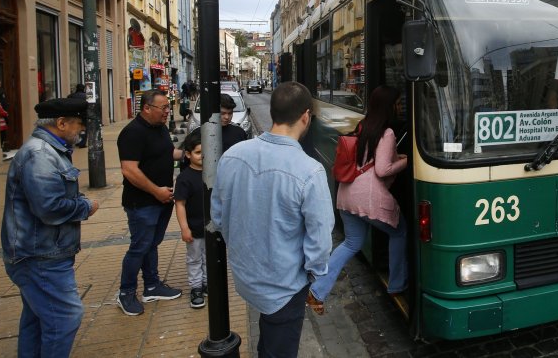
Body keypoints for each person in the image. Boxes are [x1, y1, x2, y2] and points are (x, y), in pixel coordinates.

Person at [212, 81, 334, 358]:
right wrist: (312, 273)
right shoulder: (310, 171)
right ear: (306, 116)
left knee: (269, 341)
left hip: (246, 277)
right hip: (284, 287)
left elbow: (218, 216)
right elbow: (320, 238)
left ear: (273, 111)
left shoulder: (232, 156)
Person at [1, 97, 99, 357]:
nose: (82, 130)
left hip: (41, 253)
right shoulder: (40, 155)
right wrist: (85, 207)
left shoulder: (48, 151)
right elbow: (50, 208)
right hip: (40, 257)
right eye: (79, 124)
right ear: (61, 123)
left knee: (37, 319)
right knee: (65, 317)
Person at [307, 86, 409, 315]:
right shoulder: (388, 132)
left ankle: (317, 291)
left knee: (352, 243)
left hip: (347, 194)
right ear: (389, 106)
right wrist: (406, 161)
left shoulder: (364, 125)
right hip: (368, 197)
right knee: (399, 231)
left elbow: (369, 158)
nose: (401, 107)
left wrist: (395, 157)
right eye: (398, 103)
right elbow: (383, 170)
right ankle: (397, 284)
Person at [116, 89, 184, 316]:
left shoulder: (160, 128)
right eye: (163, 107)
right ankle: (126, 292)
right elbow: (129, 169)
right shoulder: (132, 133)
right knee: (139, 247)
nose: (168, 111)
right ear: (146, 108)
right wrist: (156, 191)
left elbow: (167, 153)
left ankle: (152, 286)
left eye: (168, 106)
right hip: (143, 203)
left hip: (163, 199)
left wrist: (189, 154)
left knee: (151, 244)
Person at [174, 128, 207, 309]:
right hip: (193, 228)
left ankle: (208, 283)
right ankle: (196, 287)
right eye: (198, 152)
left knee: (209, 257)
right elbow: (180, 204)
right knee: (194, 258)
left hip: (210, 226)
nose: (202, 156)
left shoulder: (212, 174)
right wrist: (184, 227)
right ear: (187, 154)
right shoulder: (184, 179)